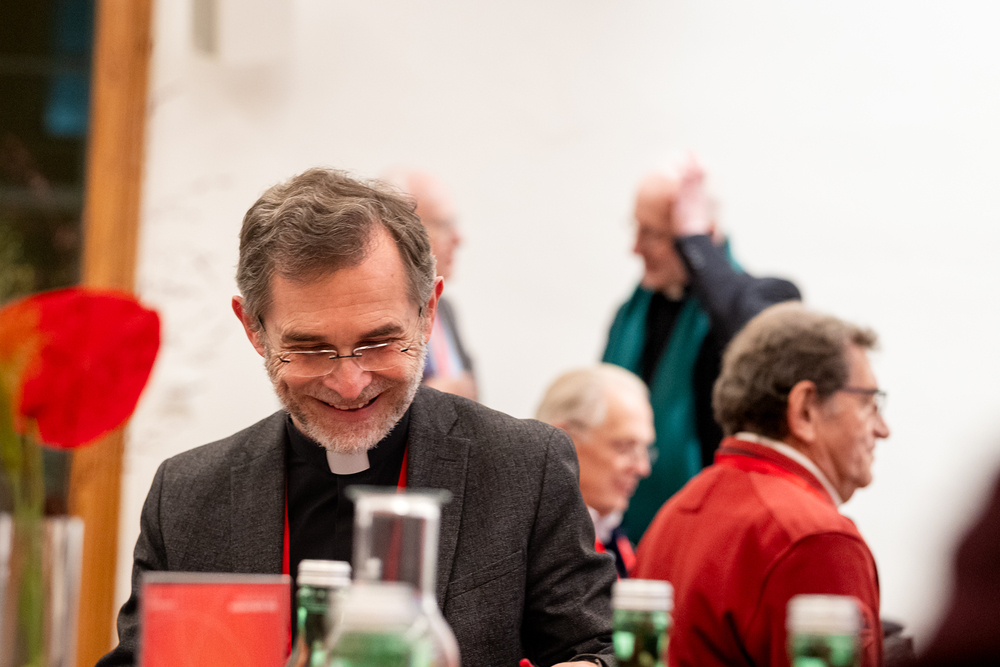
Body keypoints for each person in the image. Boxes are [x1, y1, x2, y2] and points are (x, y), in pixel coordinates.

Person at [98, 169, 615, 667]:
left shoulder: (523, 468)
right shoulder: (187, 498)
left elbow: (604, 647)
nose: (350, 383)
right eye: (310, 349)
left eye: (380, 342)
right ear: (254, 328)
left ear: (428, 312)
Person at [632, 302, 889, 667]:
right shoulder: (816, 539)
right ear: (805, 409)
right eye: (869, 404)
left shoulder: (676, 512)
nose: (883, 429)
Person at [603, 155, 802, 541]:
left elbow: (751, 334)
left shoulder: (763, 299)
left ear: (701, 235)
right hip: (621, 529)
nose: (635, 248)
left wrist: (694, 241)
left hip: (710, 528)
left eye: (652, 234)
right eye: (635, 228)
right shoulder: (634, 311)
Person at [536, 364, 656, 578]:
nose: (642, 468)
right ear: (563, 441)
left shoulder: (614, 536)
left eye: (645, 450)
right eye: (625, 447)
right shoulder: (532, 546)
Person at [382, 169, 477, 401]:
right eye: (444, 225)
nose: (458, 239)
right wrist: (432, 400)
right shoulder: (377, 318)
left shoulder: (444, 308)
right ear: (402, 232)